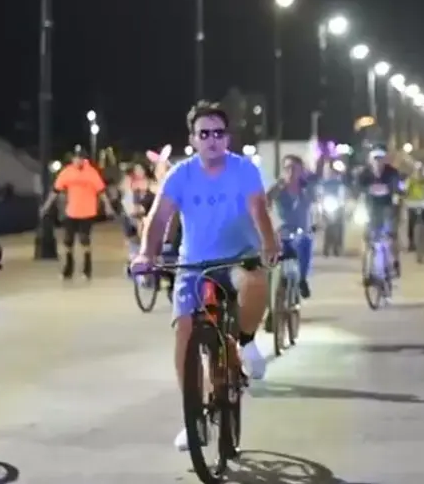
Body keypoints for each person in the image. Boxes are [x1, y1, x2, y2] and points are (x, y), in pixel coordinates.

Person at [129, 100, 279, 452]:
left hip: (238, 257)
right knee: (184, 331)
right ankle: (192, 418)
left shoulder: (243, 170)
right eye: (204, 133)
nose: (212, 139)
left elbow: (259, 209)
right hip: (194, 264)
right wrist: (146, 255)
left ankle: (245, 341)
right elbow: (159, 218)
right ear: (193, 139)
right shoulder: (180, 175)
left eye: (219, 133)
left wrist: (269, 244)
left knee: (255, 283)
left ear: (227, 137)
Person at [40, 149, 116, 280]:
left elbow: (101, 191)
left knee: (84, 240)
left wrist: (108, 207)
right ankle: (68, 269)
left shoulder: (91, 172)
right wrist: (46, 206)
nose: (77, 161)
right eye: (75, 158)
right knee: (68, 241)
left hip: (87, 212)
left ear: (84, 159)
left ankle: (87, 269)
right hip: (72, 212)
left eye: (80, 158)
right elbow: (55, 191)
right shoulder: (67, 172)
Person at [267, 155, 318, 298]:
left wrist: (317, 222)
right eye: (287, 168)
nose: (290, 171)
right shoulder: (278, 189)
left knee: (306, 242)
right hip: (281, 234)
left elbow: (317, 207)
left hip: (300, 233)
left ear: (301, 171)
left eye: (294, 168)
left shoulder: (307, 189)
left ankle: (302, 280)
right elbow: (265, 204)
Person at [356, 148, 403, 276]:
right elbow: (357, 188)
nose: (378, 162)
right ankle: (366, 267)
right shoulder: (364, 173)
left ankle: (395, 261)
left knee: (391, 235)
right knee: (367, 236)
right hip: (370, 207)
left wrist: (397, 194)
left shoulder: (392, 172)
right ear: (370, 161)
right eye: (375, 159)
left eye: (380, 159)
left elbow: (398, 187)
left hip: (388, 206)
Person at [403, 165, 424, 250]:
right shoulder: (410, 181)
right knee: (411, 222)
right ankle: (411, 241)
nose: (419, 173)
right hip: (412, 203)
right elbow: (405, 191)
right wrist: (404, 197)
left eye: (421, 171)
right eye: (417, 171)